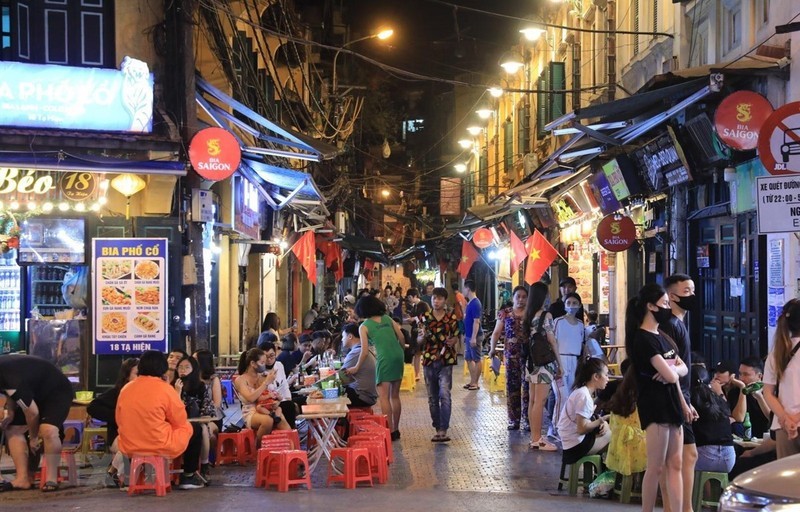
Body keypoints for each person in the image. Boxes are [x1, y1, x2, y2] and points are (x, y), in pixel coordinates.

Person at [625, 283, 692, 512]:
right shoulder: (643, 339)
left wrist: (673, 372)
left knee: (676, 463)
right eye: (664, 304)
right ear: (650, 306)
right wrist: (672, 373)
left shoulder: (662, 335)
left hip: (672, 402)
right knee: (656, 466)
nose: (667, 308)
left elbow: (681, 369)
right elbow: (671, 374)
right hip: (655, 405)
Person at [116, 350, 205, 490]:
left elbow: (119, 418)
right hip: (158, 443)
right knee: (193, 429)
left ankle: (131, 477)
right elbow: (179, 419)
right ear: (162, 367)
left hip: (129, 444)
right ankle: (188, 475)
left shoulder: (126, 389)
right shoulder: (165, 389)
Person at [0, 355, 74, 492]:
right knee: (12, 429)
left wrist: (33, 437)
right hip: (33, 392)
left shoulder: (10, 377)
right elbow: (8, 391)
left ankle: (51, 479)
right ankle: (22, 479)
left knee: (48, 430)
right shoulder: (6, 375)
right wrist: (10, 412)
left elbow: (32, 413)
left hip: (56, 391)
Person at [659, 273, 699, 512]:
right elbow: (670, 369)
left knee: (683, 457)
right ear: (671, 296)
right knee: (678, 458)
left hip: (681, 398)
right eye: (686, 292)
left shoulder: (677, 323)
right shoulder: (669, 326)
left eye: (692, 290)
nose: (692, 296)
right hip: (675, 399)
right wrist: (684, 402)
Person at [350, 295, 406, 440]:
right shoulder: (388, 319)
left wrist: (356, 367)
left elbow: (364, 351)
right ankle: (397, 429)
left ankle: (389, 430)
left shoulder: (364, 326)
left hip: (384, 359)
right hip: (398, 356)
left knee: (384, 397)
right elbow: (401, 337)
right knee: (395, 395)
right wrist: (400, 351)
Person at [87, 357, 139, 488]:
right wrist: (118, 416)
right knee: (129, 444)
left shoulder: (148, 392)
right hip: (118, 436)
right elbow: (92, 407)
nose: (141, 377)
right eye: (137, 374)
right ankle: (121, 477)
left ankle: (113, 473)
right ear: (126, 375)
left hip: (138, 436)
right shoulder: (116, 393)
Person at [523, 282, 563, 452]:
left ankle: (534, 437)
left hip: (531, 362)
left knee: (533, 400)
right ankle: (538, 439)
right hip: (544, 363)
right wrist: (559, 364)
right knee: (541, 401)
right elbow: (552, 340)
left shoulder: (528, 315)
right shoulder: (545, 316)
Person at [418, 287, 461, 442]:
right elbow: (418, 341)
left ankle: (443, 430)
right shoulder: (424, 318)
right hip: (429, 360)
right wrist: (422, 336)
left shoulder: (451, 318)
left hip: (445, 360)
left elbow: (456, 337)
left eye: (440, 298)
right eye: (434, 298)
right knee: (432, 397)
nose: (436, 301)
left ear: (445, 301)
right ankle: (437, 427)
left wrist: (454, 340)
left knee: (445, 394)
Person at [763, 299, 800, 458]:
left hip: (783, 427)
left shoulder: (776, 353)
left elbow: (768, 393)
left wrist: (786, 419)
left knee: (787, 480)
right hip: (791, 422)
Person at [489, 285, 530, 430]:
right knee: (512, 388)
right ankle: (514, 419)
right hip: (511, 356)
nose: (521, 299)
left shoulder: (531, 314)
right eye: (518, 296)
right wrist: (492, 349)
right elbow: (496, 333)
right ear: (513, 298)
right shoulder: (505, 313)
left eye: (524, 297)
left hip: (528, 357)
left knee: (528, 389)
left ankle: (527, 419)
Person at [557, 358, 612, 464]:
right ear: (596, 376)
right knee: (616, 437)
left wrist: (602, 422)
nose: (608, 379)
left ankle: (598, 475)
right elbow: (582, 429)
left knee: (608, 431)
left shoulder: (581, 392)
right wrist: (603, 419)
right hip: (574, 447)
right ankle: (602, 477)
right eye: (606, 375)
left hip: (571, 442)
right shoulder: (584, 396)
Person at [234, 348, 291, 446]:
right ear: (253, 364)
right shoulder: (241, 380)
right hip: (250, 412)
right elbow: (251, 398)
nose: (265, 365)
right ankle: (259, 447)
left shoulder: (262, 377)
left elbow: (270, 394)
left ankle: (291, 450)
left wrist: (275, 400)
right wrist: (266, 383)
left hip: (266, 408)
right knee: (268, 421)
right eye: (262, 362)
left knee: (282, 420)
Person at [551, 292, 587, 439]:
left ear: (579, 306)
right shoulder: (558, 321)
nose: (571, 306)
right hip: (559, 361)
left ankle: (565, 426)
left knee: (571, 397)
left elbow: (583, 345)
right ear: (564, 305)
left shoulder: (580, 325)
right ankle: (556, 427)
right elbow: (552, 343)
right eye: (569, 303)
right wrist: (556, 364)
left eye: (574, 303)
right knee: (561, 395)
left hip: (574, 361)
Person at [691, 364, 736, 473]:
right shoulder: (718, 397)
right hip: (729, 457)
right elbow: (730, 415)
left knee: (672, 461)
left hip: (705, 456)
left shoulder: (689, 399)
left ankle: (694, 490)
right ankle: (709, 490)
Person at [604, 363, 647, 477]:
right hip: (641, 449)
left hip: (618, 448)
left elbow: (613, 425)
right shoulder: (644, 398)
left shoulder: (617, 397)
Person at [193, 349, 222, 479]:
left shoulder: (213, 380)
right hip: (193, 417)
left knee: (208, 432)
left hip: (212, 416)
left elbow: (217, 403)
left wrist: (205, 412)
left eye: (194, 359)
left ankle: (208, 460)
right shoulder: (190, 378)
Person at [259, 341, 296, 428]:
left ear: (275, 354)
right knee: (289, 406)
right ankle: (290, 432)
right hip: (268, 403)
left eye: (271, 356)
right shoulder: (260, 371)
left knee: (302, 400)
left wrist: (288, 398)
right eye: (266, 357)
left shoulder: (279, 365)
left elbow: (285, 386)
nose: (269, 359)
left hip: (282, 398)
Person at [340, 323, 378, 407]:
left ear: (350, 336)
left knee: (330, 394)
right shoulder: (362, 349)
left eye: (343, 336)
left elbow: (341, 377)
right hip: (368, 395)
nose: (342, 340)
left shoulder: (356, 352)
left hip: (361, 396)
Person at [712, 360, 748, 433]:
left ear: (732, 375)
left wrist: (720, 394)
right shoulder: (714, 389)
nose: (716, 375)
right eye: (716, 372)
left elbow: (739, 418)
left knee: (737, 426)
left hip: (741, 430)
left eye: (721, 372)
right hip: (719, 430)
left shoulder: (738, 390)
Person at [404, 288, 430, 381]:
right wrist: (411, 320)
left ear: (415, 296)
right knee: (416, 353)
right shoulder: (414, 306)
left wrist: (415, 319)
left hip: (421, 332)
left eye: (410, 297)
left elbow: (427, 319)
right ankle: (416, 373)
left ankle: (418, 373)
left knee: (419, 353)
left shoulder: (423, 305)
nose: (409, 299)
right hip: (415, 332)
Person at [463, 279, 483, 391]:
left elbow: (476, 321)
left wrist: (474, 337)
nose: (463, 291)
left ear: (468, 289)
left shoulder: (476, 303)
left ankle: (476, 382)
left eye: (464, 288)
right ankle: (472, 381)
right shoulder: (470, 303)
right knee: (468, 358)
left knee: (476, 359)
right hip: (469, 335)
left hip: (474, 336)